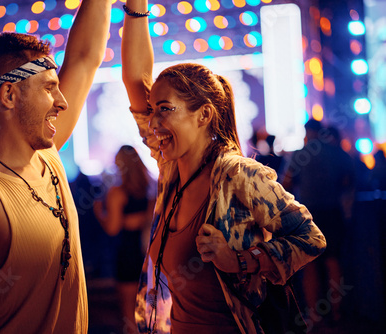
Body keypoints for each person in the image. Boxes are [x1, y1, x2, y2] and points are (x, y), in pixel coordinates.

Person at [121, 0, 327, 332]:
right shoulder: (171, 172)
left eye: (164, 109)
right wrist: (135, 5)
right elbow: (135, 80)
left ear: (203, 115)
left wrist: (241, 261)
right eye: (152, 110)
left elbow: (311, 237)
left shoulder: (239, 174)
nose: (153, 123)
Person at [0, 0, 111, 332]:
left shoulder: (48, 156)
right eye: (49, 88)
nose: (63, 101)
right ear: (9, 95)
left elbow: (85, 58)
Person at [282, 121, 354, 325]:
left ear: (307, 132)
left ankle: (314, 314)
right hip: (333, 212)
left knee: (310, 263)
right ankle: (338, 313)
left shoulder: (299, 155)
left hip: (308, 215)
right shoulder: (337, 153)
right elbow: (349, 180)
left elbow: (286, 184)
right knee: (334, 262)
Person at [93, 145, 155, 331]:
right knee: (148, 310)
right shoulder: (150, 188)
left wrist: (99, 214)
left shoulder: (117, 192)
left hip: (127, 255)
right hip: (148, 254)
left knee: (129, 314)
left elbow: (112, 229)